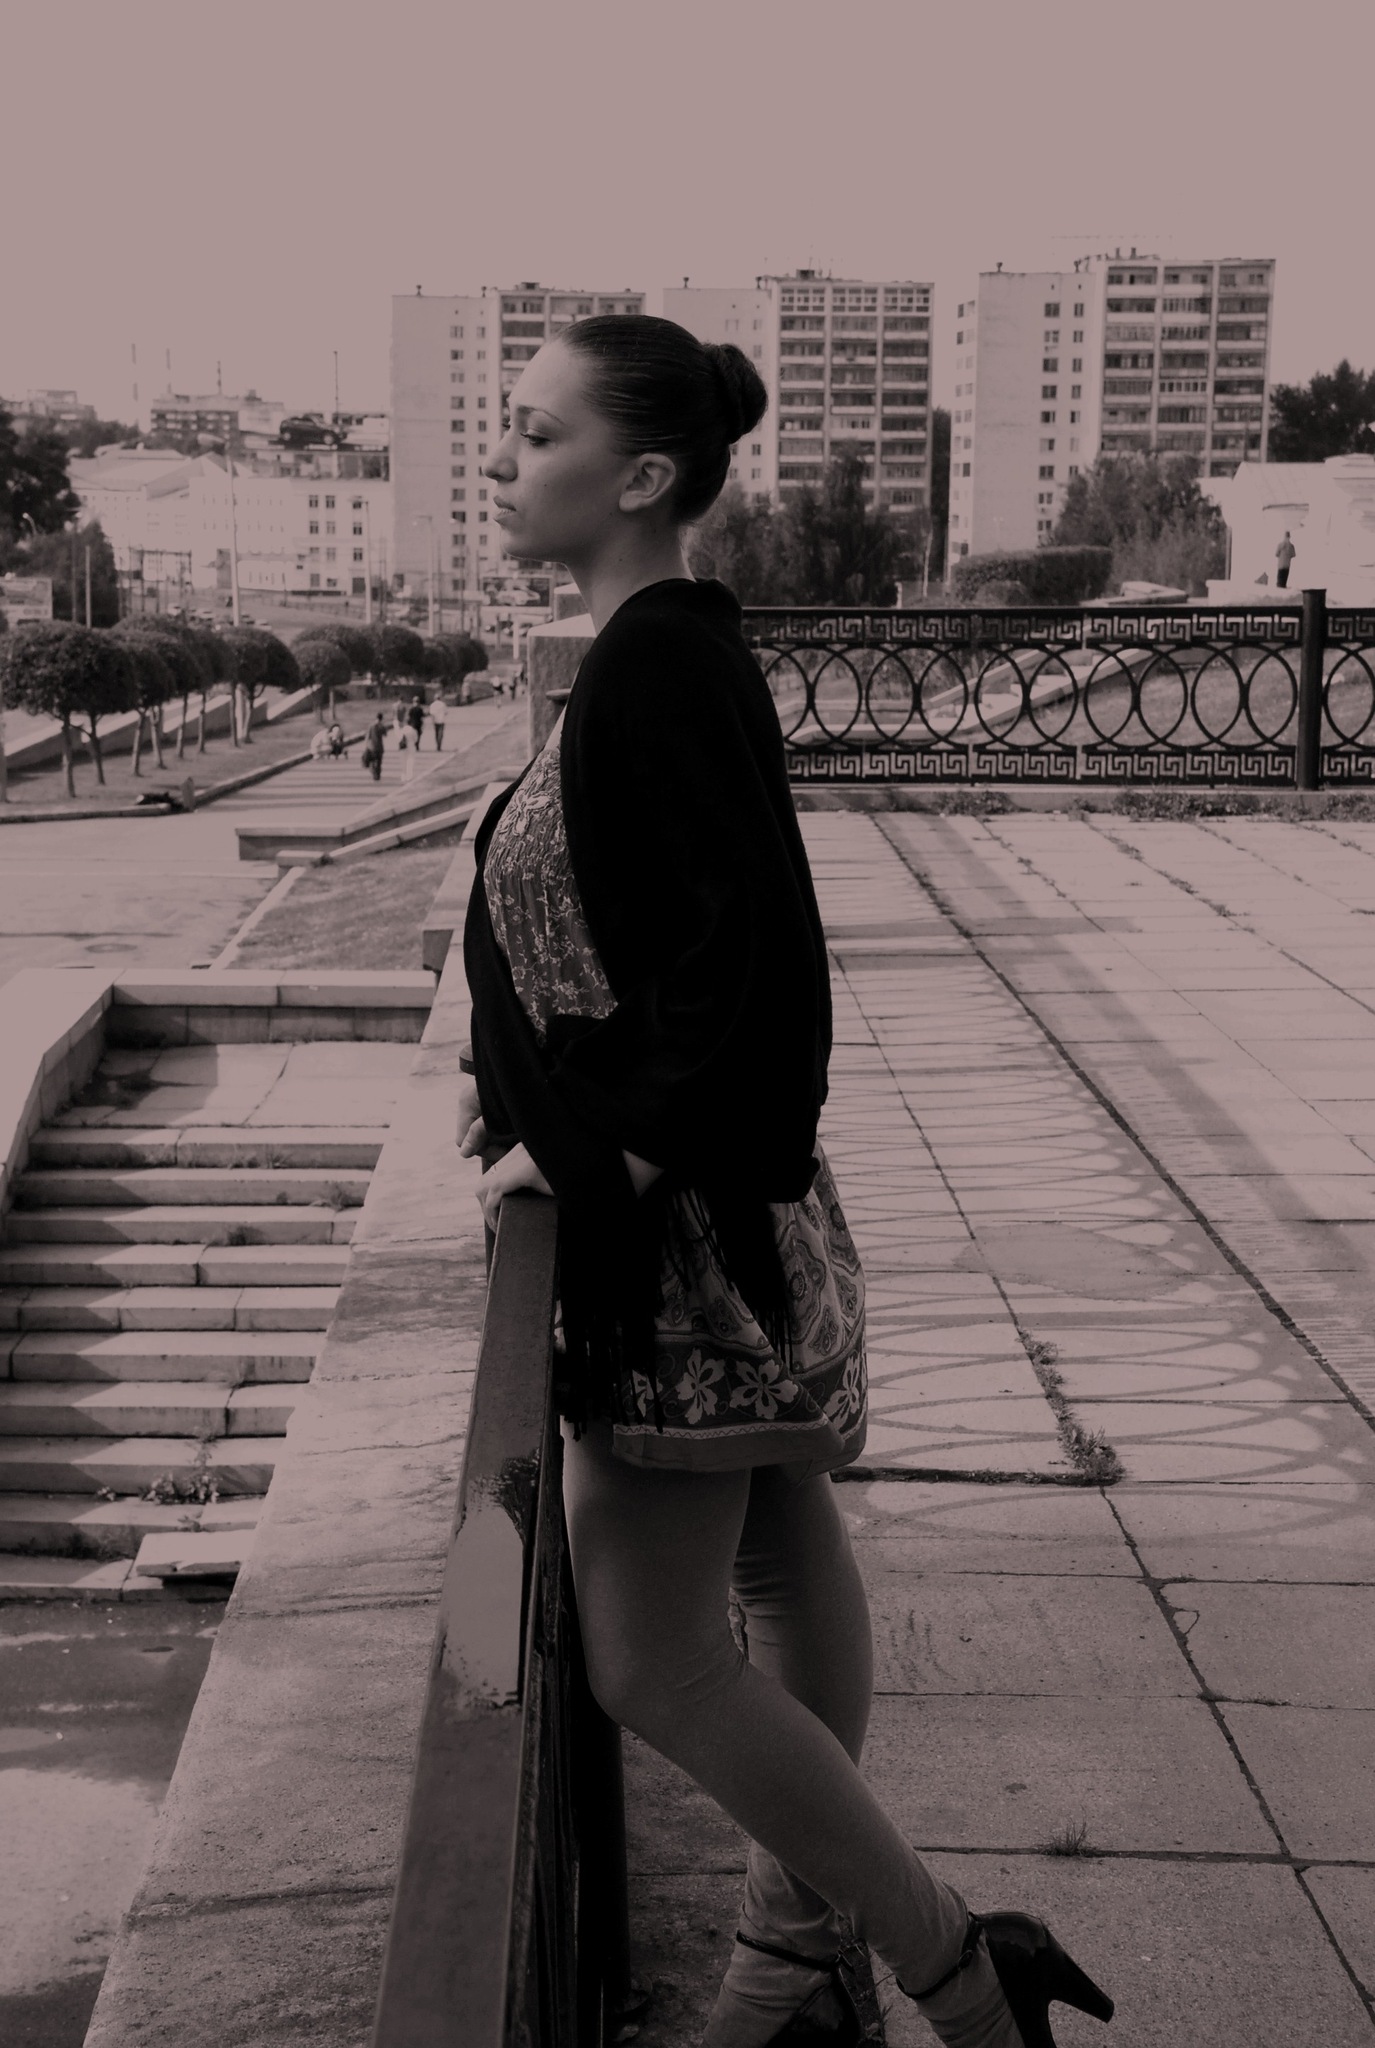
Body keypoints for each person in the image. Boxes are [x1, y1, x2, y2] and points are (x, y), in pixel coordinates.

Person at [457, 314, 1114, 2048]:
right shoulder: (655, 648)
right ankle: (791, 1957)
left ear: (640, 476)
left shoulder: (658, 664)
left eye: (534, 433)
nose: (501, 460)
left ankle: (954, 1960)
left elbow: (743, 982)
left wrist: (582, 1148)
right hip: (726, 1231)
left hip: (686, 1253)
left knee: (645, 1657)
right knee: (768, 1563)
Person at [361, 711, 386, 782]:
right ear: (382, 718)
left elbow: (367, 737)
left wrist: (365, 745)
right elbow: (385, 734)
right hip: (379, 747)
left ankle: (374, 773)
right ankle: (377, 775)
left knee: (373, 760)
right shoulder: (382, 726)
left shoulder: (371, 726)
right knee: (379, 761)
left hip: (372, 747)